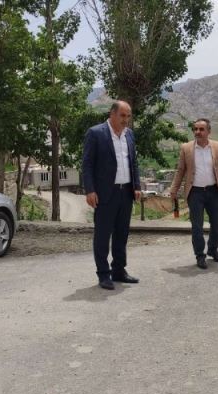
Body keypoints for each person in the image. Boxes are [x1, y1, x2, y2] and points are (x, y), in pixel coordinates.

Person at [82, 100, 142, 290]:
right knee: (102, 235)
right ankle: (103, 274)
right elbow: (87, 164)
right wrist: (90, 190)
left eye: (128, 116)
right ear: (112, 114)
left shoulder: (129, 134)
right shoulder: (96, 133)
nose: (126, 120)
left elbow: (133, 162)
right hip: (105, 193)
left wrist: (137, 185)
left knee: (121, 234)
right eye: (122, 115)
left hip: (126, 192)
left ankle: (119, 270)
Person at [169, 118, 218, 269]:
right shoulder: (186, 148)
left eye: (201, 129)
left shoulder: (217, 146)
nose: (198, 132)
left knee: (216, 225)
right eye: (195, 129)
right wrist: (174, 189)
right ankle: (200, 255)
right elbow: (180, 170)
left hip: (214, 191)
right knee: (197, 227)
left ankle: (213, 250)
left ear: (209, 131)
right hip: (195, 193)